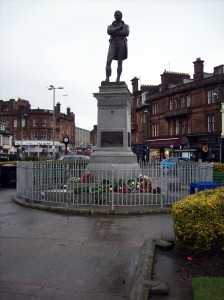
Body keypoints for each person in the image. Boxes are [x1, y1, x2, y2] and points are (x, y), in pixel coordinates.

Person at [105, 10, 129, 82]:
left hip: (121, 42)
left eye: (118, 15)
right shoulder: (110, 26)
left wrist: (114, 32)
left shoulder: (125, 26)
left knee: (120, 62)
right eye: (115, 15)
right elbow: (109, 31)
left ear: (121, 16)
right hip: (113, 43)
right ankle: (107, 78)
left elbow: (126, 33)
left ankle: (118, 78)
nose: (116, 16)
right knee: (108, 61)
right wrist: (118, 29)